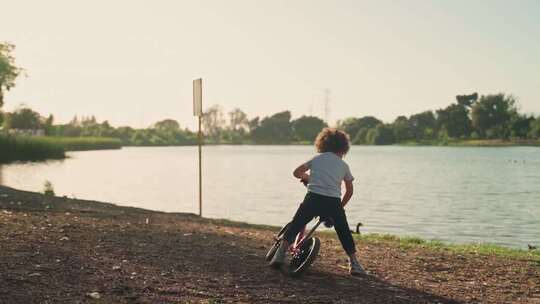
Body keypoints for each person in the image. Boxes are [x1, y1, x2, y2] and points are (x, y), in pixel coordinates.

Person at [269, 128, 366, 276]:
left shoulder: (316, 159)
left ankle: (280, 254)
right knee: (343, 231)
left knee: (297, 224)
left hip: (313, 199)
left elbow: (296, 173)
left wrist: (309, 178)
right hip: (333, 203)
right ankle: (354, 263)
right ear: (343, 148)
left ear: (323, 144)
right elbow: (350, 191)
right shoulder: (343, 165)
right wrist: (340, 207)